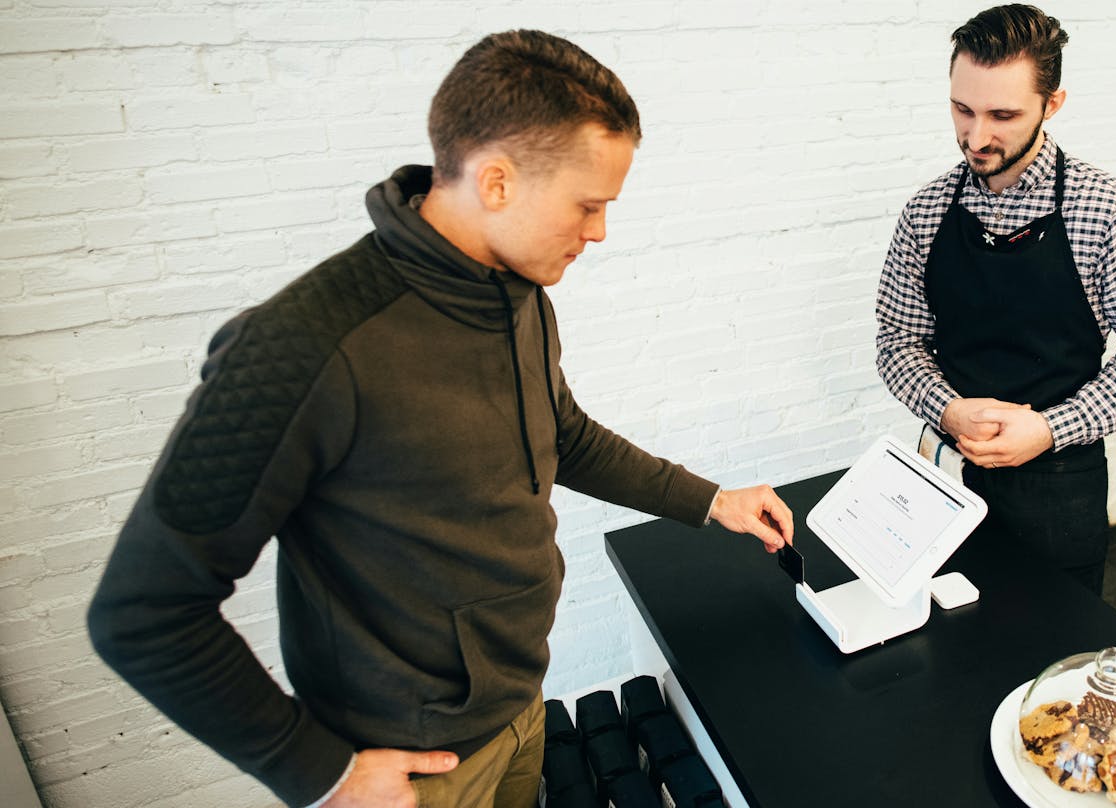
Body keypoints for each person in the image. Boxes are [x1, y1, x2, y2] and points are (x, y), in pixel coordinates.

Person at [87, 30, 793, 808]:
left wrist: (711, 501)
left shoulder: (517, 292)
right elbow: (143, 612)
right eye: (588, 205)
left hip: (521, 710)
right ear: (496, 181)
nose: (598, 232)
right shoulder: (300, 349)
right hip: (406, 772)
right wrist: (317, 772)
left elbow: (563, 434)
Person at [875, 4, 1116, 596]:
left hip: (1058, 488)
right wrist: (946, 408)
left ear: (1053, 104)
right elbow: (898, 341)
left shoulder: (1109, 212)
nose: (976, 136)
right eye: (962, 109)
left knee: (1047, 654)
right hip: (943, 474)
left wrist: (1047, 427)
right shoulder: (927, 210)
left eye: (1003, 114)